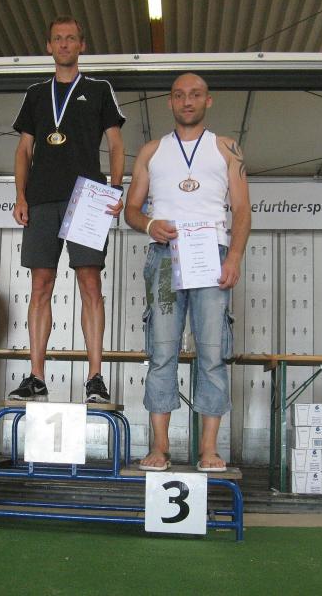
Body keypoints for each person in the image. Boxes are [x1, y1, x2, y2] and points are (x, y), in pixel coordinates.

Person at [124, 73, 251, 472]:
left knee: (212, 352)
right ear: (170, 102)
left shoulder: (227, 148)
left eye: (195, 95)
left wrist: (234, 257)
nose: (187, 101)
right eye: (179, 95)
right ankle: (160, 447)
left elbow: (242, 210)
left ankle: (209, 449)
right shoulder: (151, 151)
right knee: (161, 351)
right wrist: (149, 225)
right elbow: (131, 210)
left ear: (208, 101)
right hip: (165, 254)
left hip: (212, 254)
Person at [10, 16, 125, 403]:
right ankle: (36, 377)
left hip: (88, 198)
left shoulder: (99, 89)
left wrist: (116, 187)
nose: (63, 44)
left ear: (81, 45)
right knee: (40, 286)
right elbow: (24, 149)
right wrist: (20, 195)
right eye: (57, 38)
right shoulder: (35, 93)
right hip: (41, 198)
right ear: (49, 46)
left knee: (90, 285)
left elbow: (116, 144)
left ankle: (95, 378)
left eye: (70, 38)